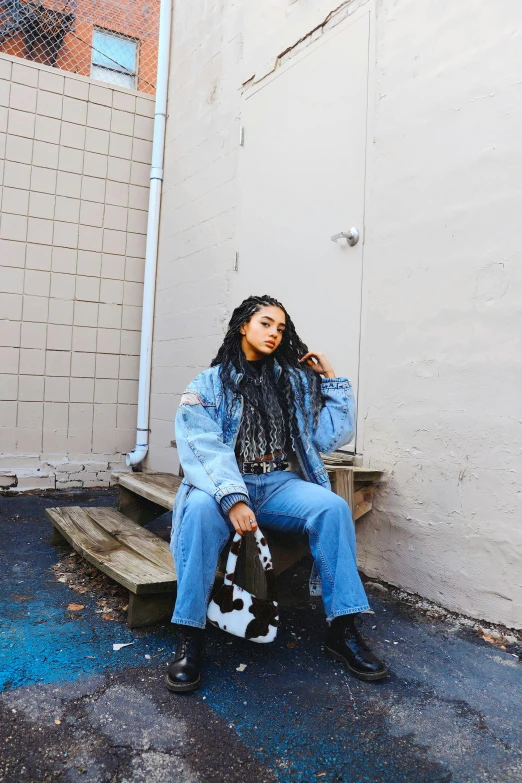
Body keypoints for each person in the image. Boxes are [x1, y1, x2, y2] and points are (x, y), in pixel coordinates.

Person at [167, 295, 387, 692]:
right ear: (242, 327)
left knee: (333, 509)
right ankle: (190, 634)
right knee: (199, 512)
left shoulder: (293, 382)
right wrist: (233, 498)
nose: (274, 333)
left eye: (280, 328)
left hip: (276, 483)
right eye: (266, 323)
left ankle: (343, 629)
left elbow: (327, 437)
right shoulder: (207, 384)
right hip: (222, 483)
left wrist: (332, 381)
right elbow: (199, 442)